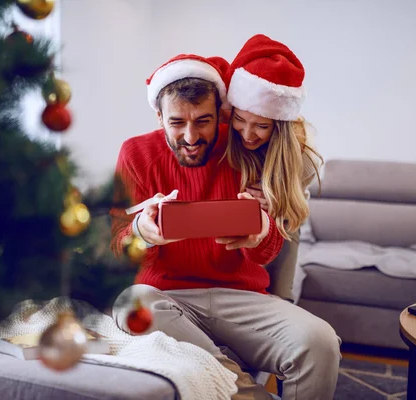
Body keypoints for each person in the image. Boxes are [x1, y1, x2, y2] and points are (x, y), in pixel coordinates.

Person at [110, 53, 340, 400]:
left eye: (203, 121)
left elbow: (268, 252)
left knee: (320, 342)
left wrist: (261, 232)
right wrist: (140, 230)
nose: (190, 136)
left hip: (241, 297)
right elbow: (115, 245)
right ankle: (246, 392)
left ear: (221, 113)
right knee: (131, 303)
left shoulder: (247, 146)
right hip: (166, 298)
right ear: (159, 116)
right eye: (177, 123)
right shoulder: (136, 154)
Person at [224, 34, 323, 241]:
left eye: (262, 126)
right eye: (240, 119)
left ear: (279, 128)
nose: (248, 134)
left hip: (283, 232)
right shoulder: (224, 138)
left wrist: (281, 206)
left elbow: (300, 213)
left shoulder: (303, 155)